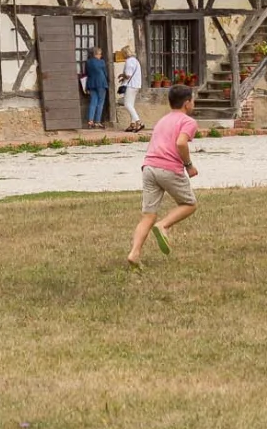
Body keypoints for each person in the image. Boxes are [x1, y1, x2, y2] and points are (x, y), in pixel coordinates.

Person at [128, 84, 199, 268]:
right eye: (193, 100)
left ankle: (134, 253)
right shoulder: (188, 122)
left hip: (149, 167)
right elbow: (181, 143)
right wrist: (189, 166)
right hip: (168, 168)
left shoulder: (163, 120)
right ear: (187, 103)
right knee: (189, 204)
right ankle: (164, 225)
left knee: (148, 215)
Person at [118, 44, 145, 133]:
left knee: (127, 104)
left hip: (131, 85)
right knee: (131, 105)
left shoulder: (129, 61)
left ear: (125, 53)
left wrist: (122, 75)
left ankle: (139, 122)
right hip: (136, 84)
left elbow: (128, 75)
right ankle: (132, 124)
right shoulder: (135, 61)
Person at [83, 46, 111, 127]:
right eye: (99, 54)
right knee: (100, 102)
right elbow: (105, 73)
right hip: (101, 83)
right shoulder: (101, 62)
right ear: (95, 54)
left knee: (93, 102)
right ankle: (97, 121)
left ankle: (90, 121)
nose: (100, 55)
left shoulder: (88, 62)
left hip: (91, 83)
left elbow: (87, 73)